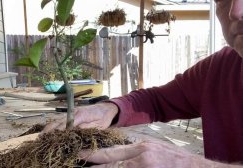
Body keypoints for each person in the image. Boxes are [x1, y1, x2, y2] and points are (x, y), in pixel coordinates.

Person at [41, 0, 243, 167]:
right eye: (224, 0)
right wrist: (110, 108)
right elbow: (157, 101)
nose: (235, 12)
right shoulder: (220, 68)